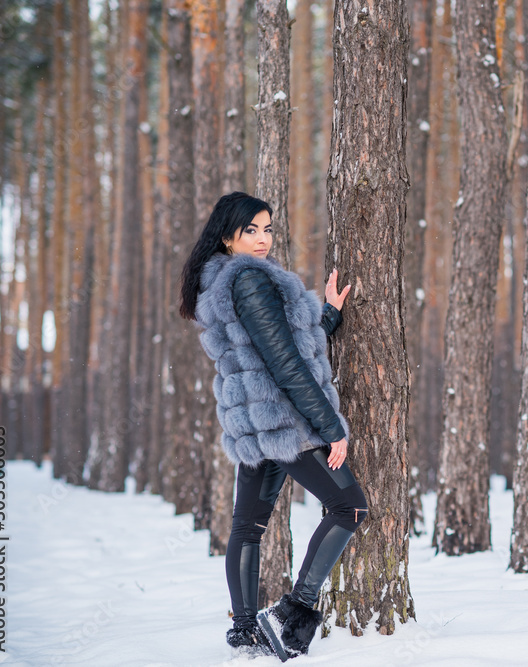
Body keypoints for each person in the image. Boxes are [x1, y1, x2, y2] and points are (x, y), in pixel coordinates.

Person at [178, 191, 368, 661]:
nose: (262, 239)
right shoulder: (249, 280)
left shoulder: (222, 281)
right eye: (251, 231)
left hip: (254, 425)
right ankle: (291, 613)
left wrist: (326, 316)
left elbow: (276, 346)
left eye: (267, 229)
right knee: (350, 507)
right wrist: (330, 428)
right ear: (228, 237)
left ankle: (245, 634)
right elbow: (286, 364)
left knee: (248, 526)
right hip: (285, 420)